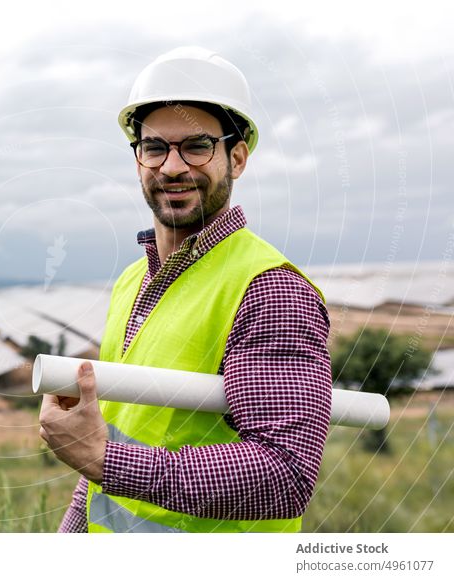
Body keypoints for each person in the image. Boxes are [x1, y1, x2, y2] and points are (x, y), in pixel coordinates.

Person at [38, 47, 332, 533]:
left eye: (197, 146)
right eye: (155, 148)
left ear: (237, 158)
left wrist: (106, 461)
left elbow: (287, 473)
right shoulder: (133, 280)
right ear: (138, 161)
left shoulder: (268, 289)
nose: (172, 167)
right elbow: (109, 436)